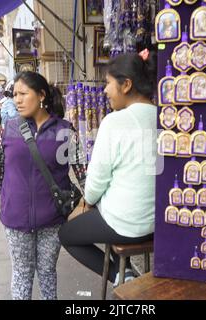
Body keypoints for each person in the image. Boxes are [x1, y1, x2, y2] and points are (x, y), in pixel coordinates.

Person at [0, 72, 87, 300]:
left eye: (22, 94)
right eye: (14, 95)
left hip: (52, 220)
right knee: (22, 274)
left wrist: (92, 201)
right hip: (16, 219)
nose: (16, 100)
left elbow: (83, 171)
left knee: (48, 272)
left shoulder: (65, 131)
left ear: (41, 95)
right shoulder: (7, 129)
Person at [59, 50, 157, 287]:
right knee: (98, 219)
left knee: (67, 234)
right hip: (157, 223)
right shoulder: (163, 116)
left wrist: (87, 203)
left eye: (108, 84)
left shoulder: (115, 122)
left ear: (126, 85)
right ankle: (127, 273)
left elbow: (96, 182)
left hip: (126, 224)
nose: (104, 90)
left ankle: (120, 277)